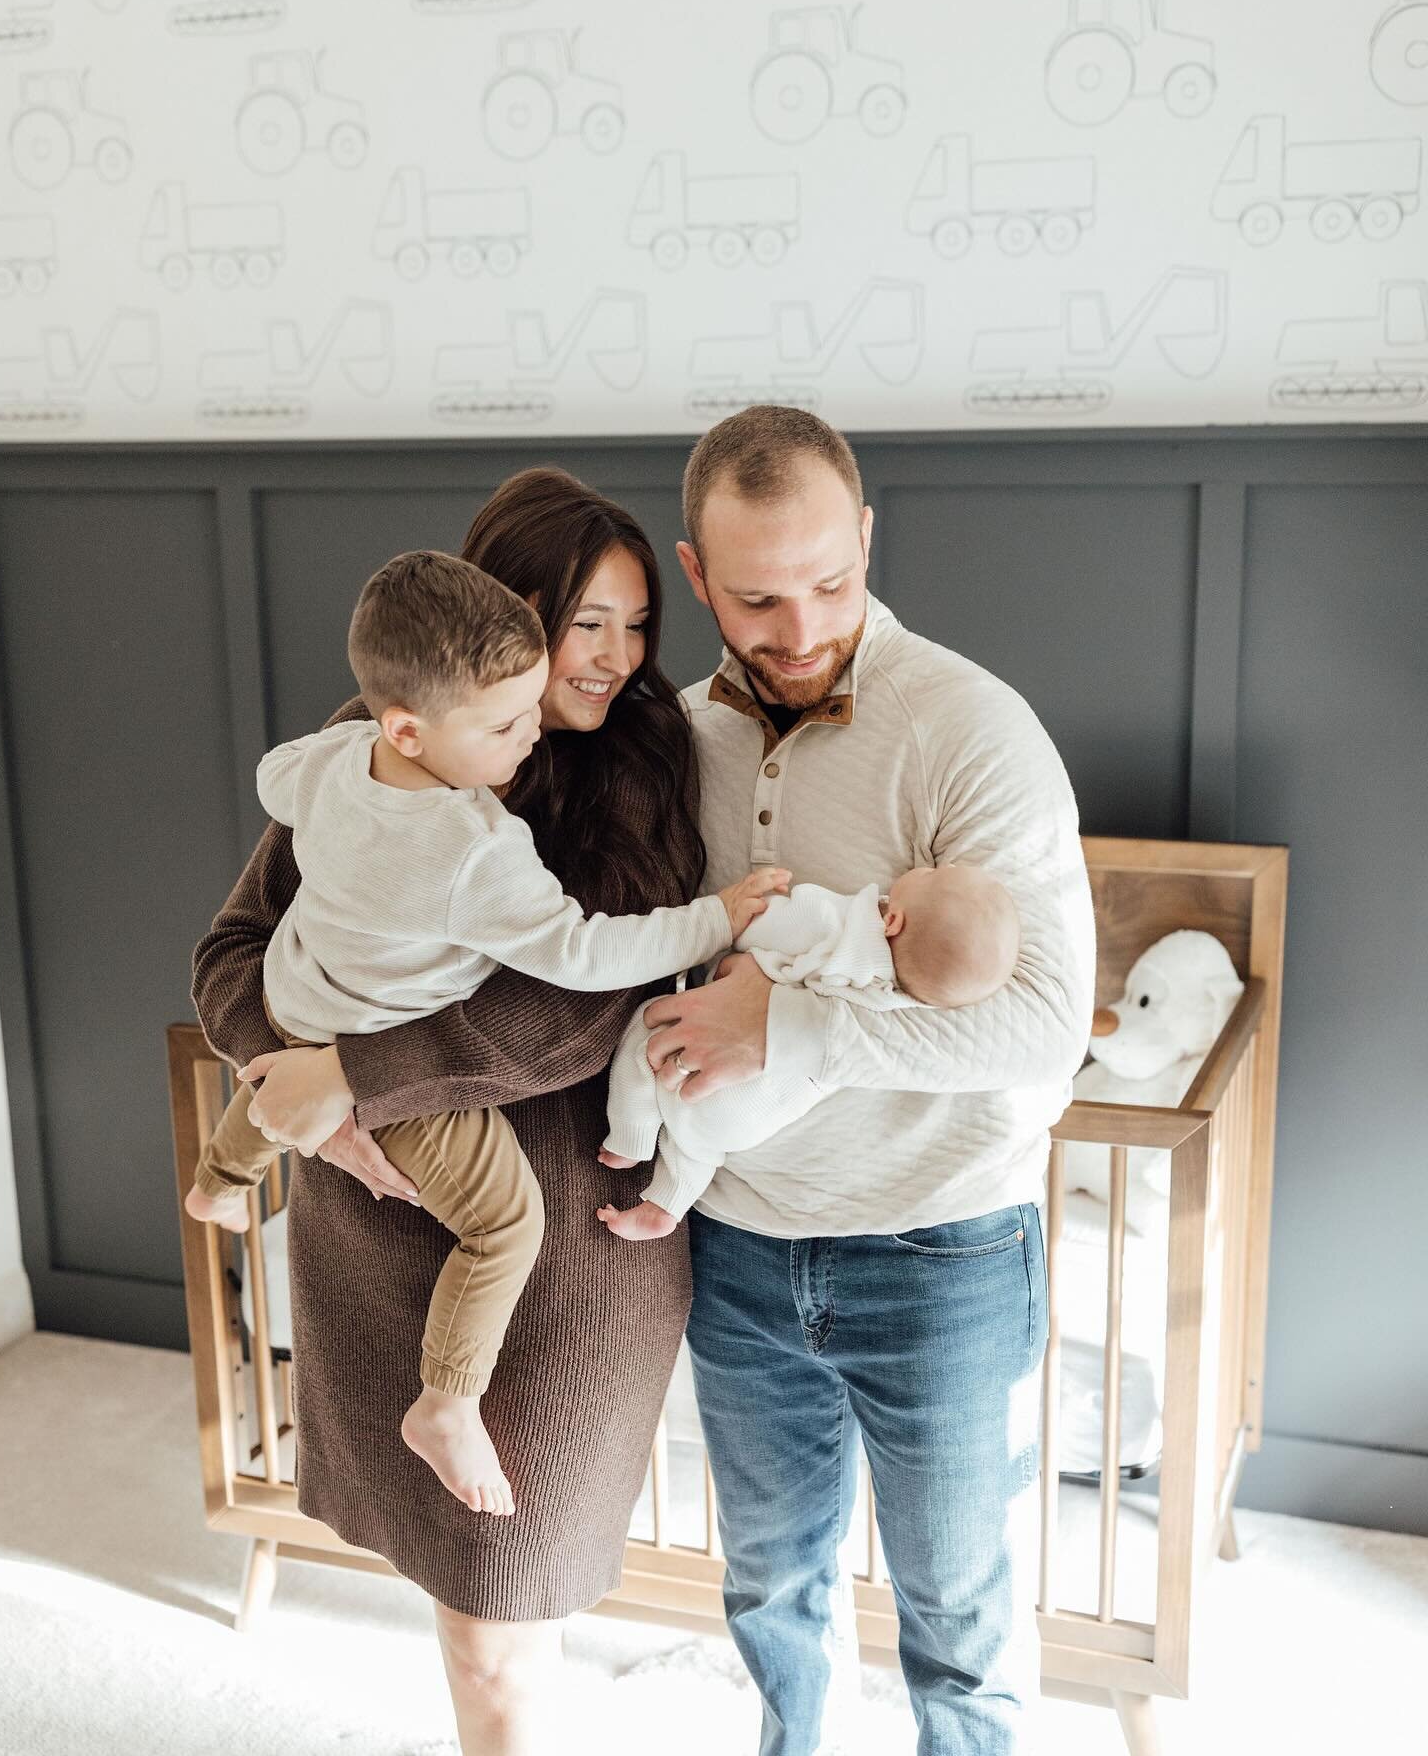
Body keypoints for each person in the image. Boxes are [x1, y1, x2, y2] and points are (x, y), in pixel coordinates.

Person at [190, 470, 710, 1754]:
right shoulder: (382, 742)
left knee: (502, 1613)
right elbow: (234, 948)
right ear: (506, 607)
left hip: (555, 1240)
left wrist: (357, 1077)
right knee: (461, 1620)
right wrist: (286, 1079)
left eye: (636, 625)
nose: (613, 657)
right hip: (369, 1223)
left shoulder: (636, 768)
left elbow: (581, 1010)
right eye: (585, 620)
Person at [632, 405, 1097, 1754]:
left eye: (831, 583)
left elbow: (1043, 1027)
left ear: (870, 540)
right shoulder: (667, 741)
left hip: (941, 1254)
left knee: (959, 1623)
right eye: (759, 597)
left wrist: (798, 1027)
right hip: (738, 1251)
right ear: (696, 573)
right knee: (772, 1593)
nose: (798, 627)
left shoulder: (971, 729)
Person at [187, 547, 786, 1513]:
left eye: (638, 625)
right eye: (587, 623)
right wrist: (721, 916)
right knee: (504, 1221)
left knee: (289, 1064)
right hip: (395, 1100)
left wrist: (337, 1074)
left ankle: (221, 1182)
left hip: (307, 1006)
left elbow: (275, 777)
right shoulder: (474, 848)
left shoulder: (341, 756)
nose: (532, 733)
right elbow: (587, 957)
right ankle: (446, 1405)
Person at [595, 863, 1021, 1240]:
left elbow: (765, 923)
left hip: (702, 1063)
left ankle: (630, 1136)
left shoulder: (840, 920)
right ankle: (666, 1206)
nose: (925, 868)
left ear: (892, 920)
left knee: (648, 1032)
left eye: (930, 875)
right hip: (755, 1116)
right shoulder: (898, 1008)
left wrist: (754, 909)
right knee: (699, 1149)